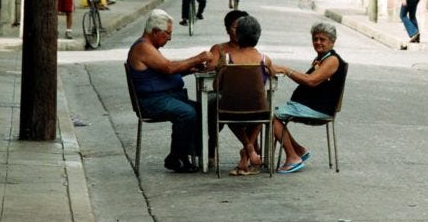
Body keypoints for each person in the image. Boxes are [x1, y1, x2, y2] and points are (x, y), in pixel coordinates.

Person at [127, 9, 211, 173]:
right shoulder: (143, 48)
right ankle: (176, 157)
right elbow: (168, 68)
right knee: (187, 113)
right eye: (167, 34)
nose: (170, 38)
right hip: (152, 101)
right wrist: (198, 58)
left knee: (204, 110)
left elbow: (164, 71)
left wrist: (190, 69)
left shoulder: (151, 47)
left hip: (164, 97)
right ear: (155, 31)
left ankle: (192, 153)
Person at [272, 22, 346, 174]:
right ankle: (299, 150)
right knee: (275, 114)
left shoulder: (332, 60)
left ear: (332, 42)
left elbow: (311, 81)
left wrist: (286, 70)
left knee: (272, 117)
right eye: (315, 39)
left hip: (319, 109)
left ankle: (292, 157)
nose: (318, 42)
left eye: (322, 39)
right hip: (310, 105)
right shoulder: (322, 58)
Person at [214, 16, 276, 176]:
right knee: (263, 111)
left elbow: (216, 86)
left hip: (230, 113)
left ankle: (247, 147)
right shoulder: (265, 60)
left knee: (227, 113)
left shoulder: (226, 59)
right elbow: (272, 78)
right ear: (258, 36)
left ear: (238, 35)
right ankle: (249, 148)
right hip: (258, 112)